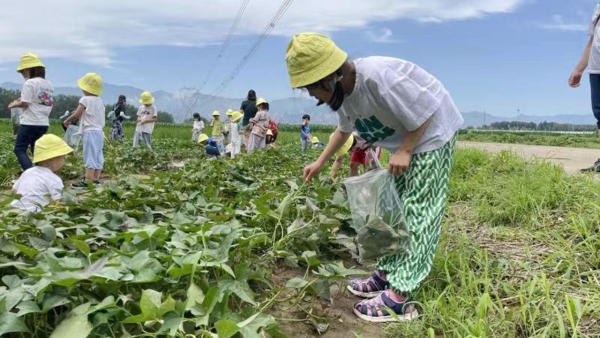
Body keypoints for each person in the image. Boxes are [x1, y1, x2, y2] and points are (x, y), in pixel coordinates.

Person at [286, 33, 463, 322]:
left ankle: (400, 297)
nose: (312, 96)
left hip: (431, 135)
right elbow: (343, 131)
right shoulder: (343, 97)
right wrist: (319, 162)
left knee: (418, 211)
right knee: (393, 210)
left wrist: (406, 149)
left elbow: (428, 106)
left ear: (330, 78)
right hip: (403, 144)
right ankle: (387, 273)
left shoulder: (378, 77)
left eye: (312, 89)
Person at [8, 53, 54, 171]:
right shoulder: (48, 84)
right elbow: (40, 101)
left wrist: (13, 104)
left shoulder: (30, 83)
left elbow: (25, 103)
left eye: (22, 71)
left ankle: (31, 175)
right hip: (43, 123)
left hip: (30, 123)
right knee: (37, 152)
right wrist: (21, 100)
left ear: (29, 69)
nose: (22, 74)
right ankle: (42, 175)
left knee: (19, 149)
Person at [570, 3, 600, 171]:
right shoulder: (598, 8)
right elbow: (592, 41)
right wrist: (578, 69)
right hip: (596, 69)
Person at [10, 134, 73, 212]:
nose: (64, 161)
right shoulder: (54, 179)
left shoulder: (28, 172)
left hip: (15, 210)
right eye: (63, 157)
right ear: (53, 158)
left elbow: (14, 190)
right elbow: (57, 203)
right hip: (35, 214)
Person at [63, 73, 106, 188]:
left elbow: (77, 114)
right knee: (98, 154)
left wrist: (68, 120)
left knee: (89, 155)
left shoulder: (85, 99)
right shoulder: (100, 100)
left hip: (90, 131)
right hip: (99, 132)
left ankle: (88, 181)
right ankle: (96, 179)